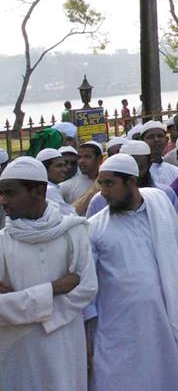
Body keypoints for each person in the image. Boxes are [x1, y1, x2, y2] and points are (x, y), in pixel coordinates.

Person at [85, 153, 178, 391]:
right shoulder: (94, 228)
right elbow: (87, 290)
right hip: (115, 328)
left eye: (109, 183)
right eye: (101, 183)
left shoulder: (160, 207)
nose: (103, 191)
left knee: (162, 378)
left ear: (131, 181)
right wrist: (87, 338)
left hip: (160, 321)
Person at [0, 157, 98, 391]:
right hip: (20, 351)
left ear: (38, 190)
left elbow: (86, 289)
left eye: (9, 193)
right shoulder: (3, 242)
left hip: (65, 345)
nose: (3, 201)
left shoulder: (74, 231)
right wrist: (54, 289)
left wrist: (20, 303)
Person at [85, 140, 178, 218]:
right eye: (127, 170)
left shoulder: (165, 194)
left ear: (149, 163)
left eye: (138, 168)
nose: (134, 175)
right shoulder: (99, 200)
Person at [140, 121, 178, 187]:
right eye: (151, 137)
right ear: (142, 142)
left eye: (160, 136)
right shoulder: (140, 172)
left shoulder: (176, 171)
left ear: (166, 140)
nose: (156, 140)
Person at [36, 148, 72, 215]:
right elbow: (70, 215)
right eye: (59, 166)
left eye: (64, 165)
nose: (64, 169)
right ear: (44, 169)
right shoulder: (48, 190)